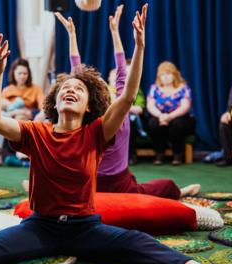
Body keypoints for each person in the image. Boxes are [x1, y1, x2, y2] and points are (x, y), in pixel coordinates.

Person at [0, 6, 232, 264]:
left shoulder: (96, 133)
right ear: (55, 101)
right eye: (66, 88)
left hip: (86, 228)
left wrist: (138, 47)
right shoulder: (36, 132)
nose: (71, 90)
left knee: (140, 245)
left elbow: (126, 96)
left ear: (91, 104)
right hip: (40, 226)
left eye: (79, 88)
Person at [53, 5, 200, 200]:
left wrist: (109, 33)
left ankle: (179, 192)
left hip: (116, 184)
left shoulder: (110, 115)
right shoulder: (91, 119)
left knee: (166, 186)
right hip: (92, 183)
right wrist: (78, 34)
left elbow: (120, 72)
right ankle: (179, 192)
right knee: (167, 186)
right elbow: (83, 74)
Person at [0, 58, 44, 167]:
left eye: (25, 73)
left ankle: (22, 149)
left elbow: (43, 109)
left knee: (20, 115)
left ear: (28, 74)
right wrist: (12, 111)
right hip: (9, 118)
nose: (22, 76)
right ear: (14, 74)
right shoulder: (7, 90)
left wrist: (30, 113)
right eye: (20, 73)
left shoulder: (36, 89)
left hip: (27, 119)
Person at [147, 61, 196, 165]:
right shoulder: (154, 88)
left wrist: (169, 116)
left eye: (168, 74)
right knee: (153, 123)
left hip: (181, 117)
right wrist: (161, 116)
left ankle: (177, 155)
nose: (165, 77)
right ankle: (159, 154)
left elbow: (185, 107)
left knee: (177, 124)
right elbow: (150, 105)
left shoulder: (183, 88)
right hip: (160, 116)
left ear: (175, 75)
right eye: (162, 75)